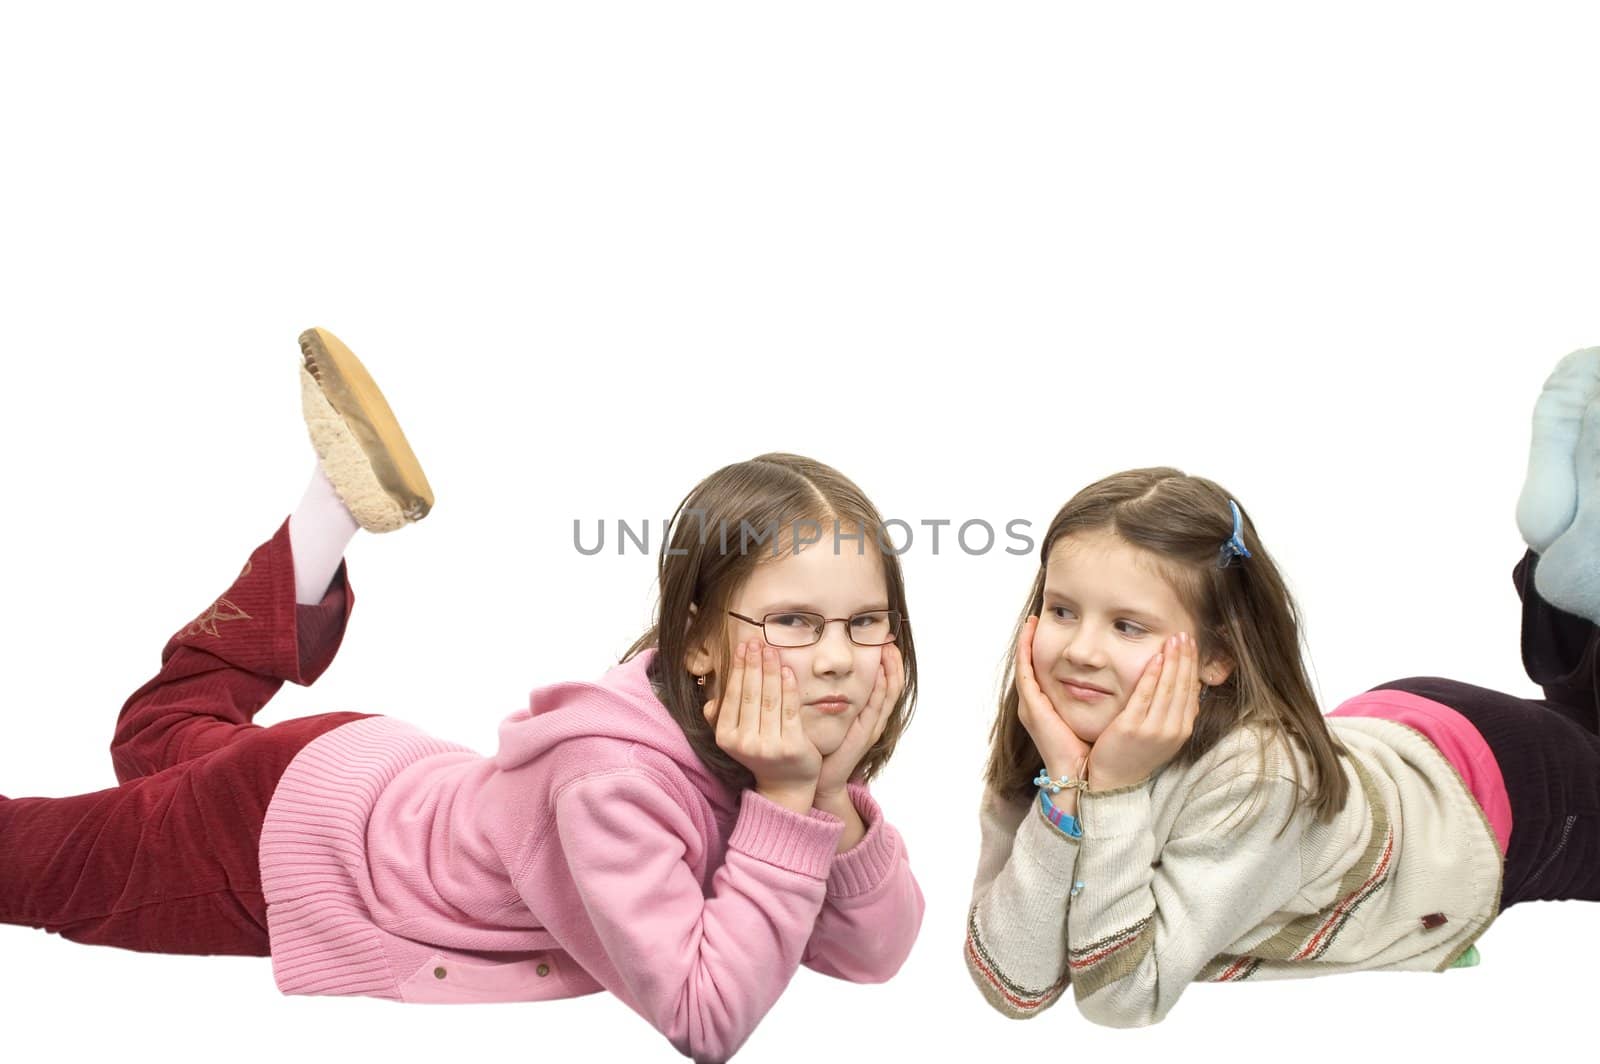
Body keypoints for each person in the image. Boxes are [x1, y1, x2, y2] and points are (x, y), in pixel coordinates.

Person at [0, 328, 924, 1064]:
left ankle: (327, 515)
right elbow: (704, 1017)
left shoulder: (769, 753)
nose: (839, 659)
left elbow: (871, 954)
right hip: (281, 837)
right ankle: (322, 521)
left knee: (158, 735)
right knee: (30, 865)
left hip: (358, 771)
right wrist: (794, 804)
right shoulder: (613, 783)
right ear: (699, 644)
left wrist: (830, 799)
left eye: (865, 622)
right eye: (796, 621)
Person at [964, 348, 1600, 1028]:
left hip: (1490, 792)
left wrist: (1114, 791)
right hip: (1409, 729)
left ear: (1217, 657)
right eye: (1062, 610)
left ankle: (1567, 571)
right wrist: (1063, 786)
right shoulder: (1050, 747)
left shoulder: (1258, 781)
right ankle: (1566, 562)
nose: (1081, 650)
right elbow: (1016, 985)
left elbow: (1123, 998)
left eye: (1127, 625)